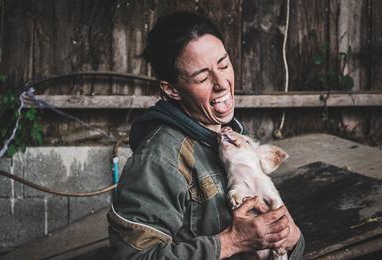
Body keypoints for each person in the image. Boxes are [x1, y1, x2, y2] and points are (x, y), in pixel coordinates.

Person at [107, 11, 304, 259]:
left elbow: (281, 235)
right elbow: (133, 257)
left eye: (223, 64)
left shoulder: (230, 136)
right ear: (172, 89)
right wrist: (231, 242)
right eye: (202, 77)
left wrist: (292, 238)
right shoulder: (160, 160)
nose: (222, 83)